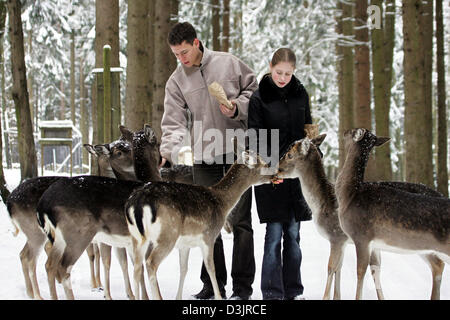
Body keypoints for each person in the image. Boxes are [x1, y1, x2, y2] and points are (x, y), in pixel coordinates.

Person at [159, 22, 258, 300]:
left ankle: (242, 289)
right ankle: (212, 285)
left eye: (184, 52)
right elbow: (173, 122)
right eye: (176, 54)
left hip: (238, 156)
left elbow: (255, 93)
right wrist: (167, 152)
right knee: (207, 225)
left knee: (240, 222)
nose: (182, 59)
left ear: (197, 42)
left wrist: (237, 106)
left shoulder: (229, 64)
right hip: (204, 158)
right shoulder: (177, 81)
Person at [248, 48, 312, 300]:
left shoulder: (301, 94)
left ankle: (294, 291)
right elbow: (254, 136)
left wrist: (310, 153)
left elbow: (308, 129)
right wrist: (269, 168)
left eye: (288, 73)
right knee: (274, 234)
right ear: (270, 67)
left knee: (294, 235)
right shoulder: (258, 98)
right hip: (271, 173)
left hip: (296, 175)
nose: (283, 77)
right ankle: (273, 292)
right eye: (278, 72)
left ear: (294, 71)